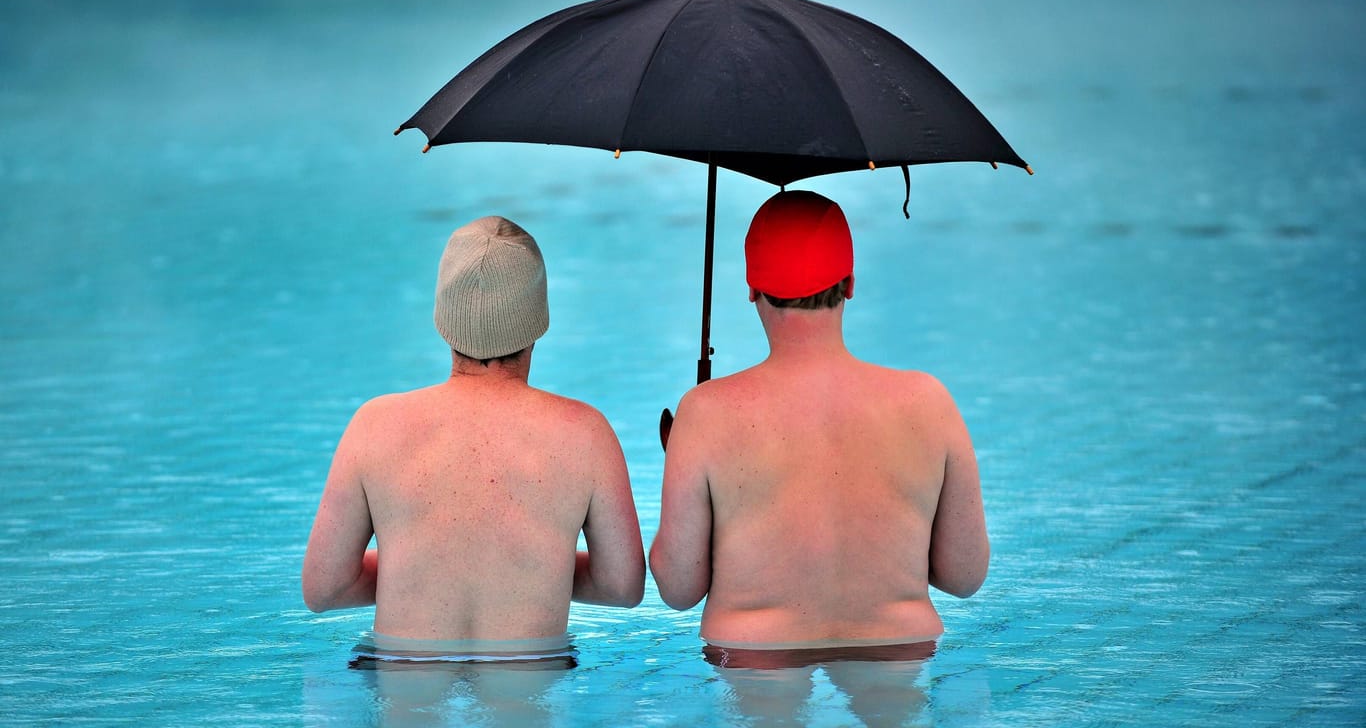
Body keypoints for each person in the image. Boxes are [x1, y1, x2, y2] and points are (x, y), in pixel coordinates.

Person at [649, 190, 988, 663]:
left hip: (754, 650)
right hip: (899, 646)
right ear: (849, 283)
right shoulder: (928, 402)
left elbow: (679, 588)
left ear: (751, 287)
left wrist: (686, 462)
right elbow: (965, 576)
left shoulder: (706, 412)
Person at [303, 216, 645, 654]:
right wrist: (534, 565)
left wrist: (426, 564)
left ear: (442, 321)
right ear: (538, 323)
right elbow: (622, 587)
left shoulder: (375, 425)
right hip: (530, 666)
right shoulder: (585, 433)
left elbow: (324, 589)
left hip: (404, 664)